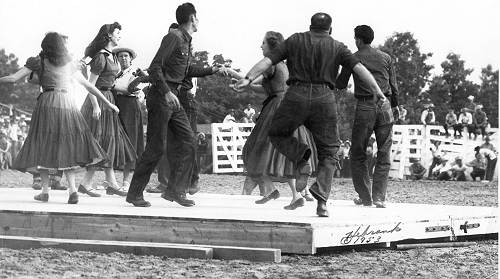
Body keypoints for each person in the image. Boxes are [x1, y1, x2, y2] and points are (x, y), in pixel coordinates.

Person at [235, 13, 387, 217]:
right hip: (324, 98)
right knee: (330, 151)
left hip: (296, 95)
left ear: (310, 26)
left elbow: (268, 60)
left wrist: (247, 78)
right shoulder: (338, 46)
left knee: (276, 132)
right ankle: (321, 201)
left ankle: (301, 157)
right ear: (330, 30)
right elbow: (359, 70)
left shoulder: (296, 39)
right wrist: (377, 91)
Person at [0, 32, 116, 203]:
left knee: (43, 144)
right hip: (67, 103)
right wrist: (108, 102)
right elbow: (88, 86)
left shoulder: (38, 61)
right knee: (66, 145)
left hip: (47, 103)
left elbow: (12, 78)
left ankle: (45, 191)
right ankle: (73, 191)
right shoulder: (68, 64)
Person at [127, 3, 221, 207]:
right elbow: (155, 67)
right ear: (192, 18)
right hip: (162, 97)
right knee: (156, 147)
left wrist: (212, 69)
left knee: (189, 141)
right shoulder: (174, 37)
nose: (199, 21)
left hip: (173, 98)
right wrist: (167, 92)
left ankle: (176, 191)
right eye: (198, 17)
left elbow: (185, 71)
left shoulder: (186, 41)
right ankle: (134, 194)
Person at [227, 31, 318, 209]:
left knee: (255, 149)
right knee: (280, 153)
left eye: (263, 43)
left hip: (276, 108)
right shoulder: (284, 65)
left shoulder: (270, 63)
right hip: (289, 106)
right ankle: (294, 195)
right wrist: (244, 87)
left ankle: (270, 189)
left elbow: (254, 82)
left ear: (271, 46)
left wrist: (234, 76)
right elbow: (265, 89)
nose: (260, 46)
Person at [336, 25, 398, 208]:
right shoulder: (386, 57)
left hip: (365, 106)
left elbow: (340, 84)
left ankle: (365, 196)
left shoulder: (353, 57)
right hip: (385, 105)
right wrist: (396, 106)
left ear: (358, 39)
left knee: (358, 152)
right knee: (384, 151)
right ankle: (379, 197)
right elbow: (394, 86)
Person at [78, 22, 136, 198]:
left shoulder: (112, 57)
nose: (120, 35)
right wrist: (96, 106)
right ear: (109, 35)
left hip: (108, 99)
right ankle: (102, 183)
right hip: (98, 101)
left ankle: (96, 183)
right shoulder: (101, 57)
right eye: (117, 33)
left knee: (107, 142)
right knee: (101, 142)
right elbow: (90, 85)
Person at [112, 46, 145, 189]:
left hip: (130, 107)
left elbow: (132, 89)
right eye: (120, 56)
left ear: (130, 58)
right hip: (118, 106)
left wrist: (111, 86)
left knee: (130, 141)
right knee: (116, 140)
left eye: (126, 56)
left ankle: (126, 182)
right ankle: (112, 181)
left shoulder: (135, 73)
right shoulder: (118, 73)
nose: (123, 58)